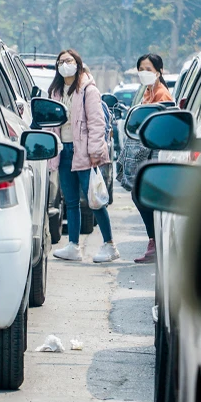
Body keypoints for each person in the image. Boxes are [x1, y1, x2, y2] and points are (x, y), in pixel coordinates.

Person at [49, 49, 119, 263]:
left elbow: (97, 122)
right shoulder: (56, 91)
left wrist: (96, 151)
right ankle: (73, 246)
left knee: (95, 199)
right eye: (60, 62)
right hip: (64, 150)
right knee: (70, 201)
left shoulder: (88, 90)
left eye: (68, 61)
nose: (64, 65)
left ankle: (109, 245)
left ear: (78, 63)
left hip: (84, 151)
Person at [134, 53, 173, 263]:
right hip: (148, 151)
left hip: (157, 153)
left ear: (159, 71)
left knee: (143, 195)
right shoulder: (147, 92)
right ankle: (154, 241)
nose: (144, 73)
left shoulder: (161, 95)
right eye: (141, 69)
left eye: (148, 69)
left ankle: (155, 242)